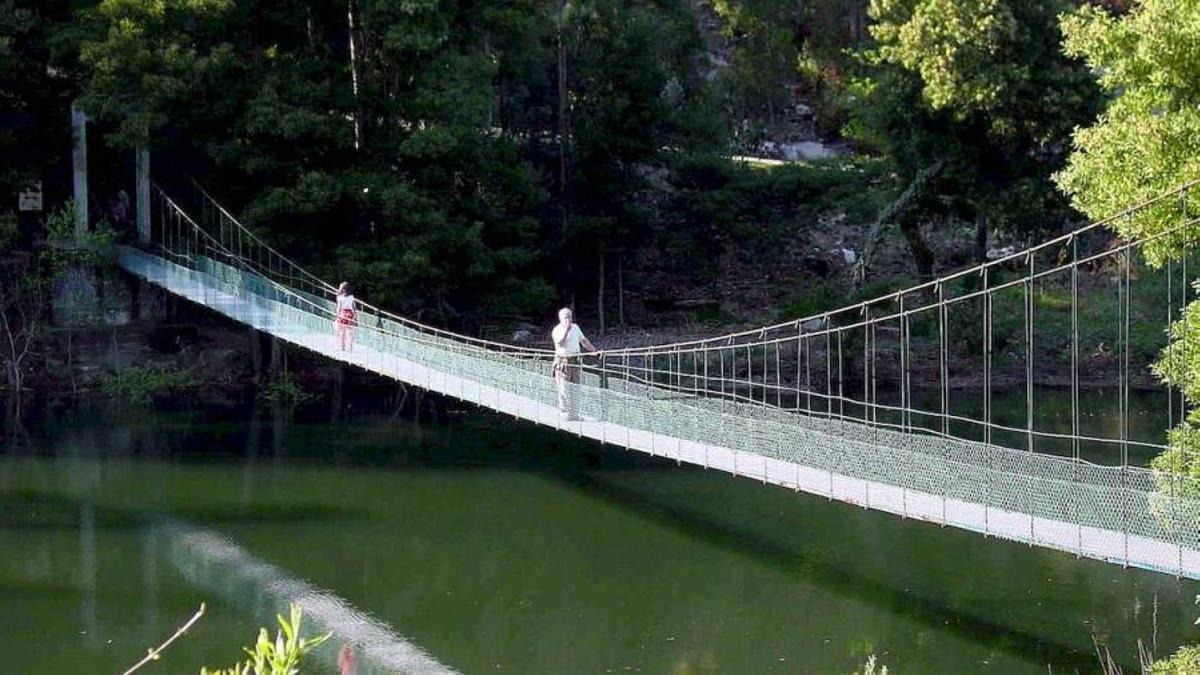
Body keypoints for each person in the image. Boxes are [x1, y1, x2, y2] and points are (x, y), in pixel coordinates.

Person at [551, 307, 596, 421]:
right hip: (563, 363)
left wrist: (594, 351)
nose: (569, 319)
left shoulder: (576, 327)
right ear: (560, 318)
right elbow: (560, 343)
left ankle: (574, 414)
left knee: (576, 388)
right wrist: (566, 330)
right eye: (566, 317)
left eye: (570, 317)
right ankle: (565, 414)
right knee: (564, 389)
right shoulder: (557, 330)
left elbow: (583, 341)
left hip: (575, 362)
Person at [335, 282, 357, 351]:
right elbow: (354, 308)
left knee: (342, 333)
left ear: (343, 289)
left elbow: (339, 308)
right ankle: (350, 348)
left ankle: (342, 348)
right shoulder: (352, 297)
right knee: (350, 333)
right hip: (350, 315)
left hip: (343, 315)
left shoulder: (340, 298)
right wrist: (355, 318)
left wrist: (337, 317)